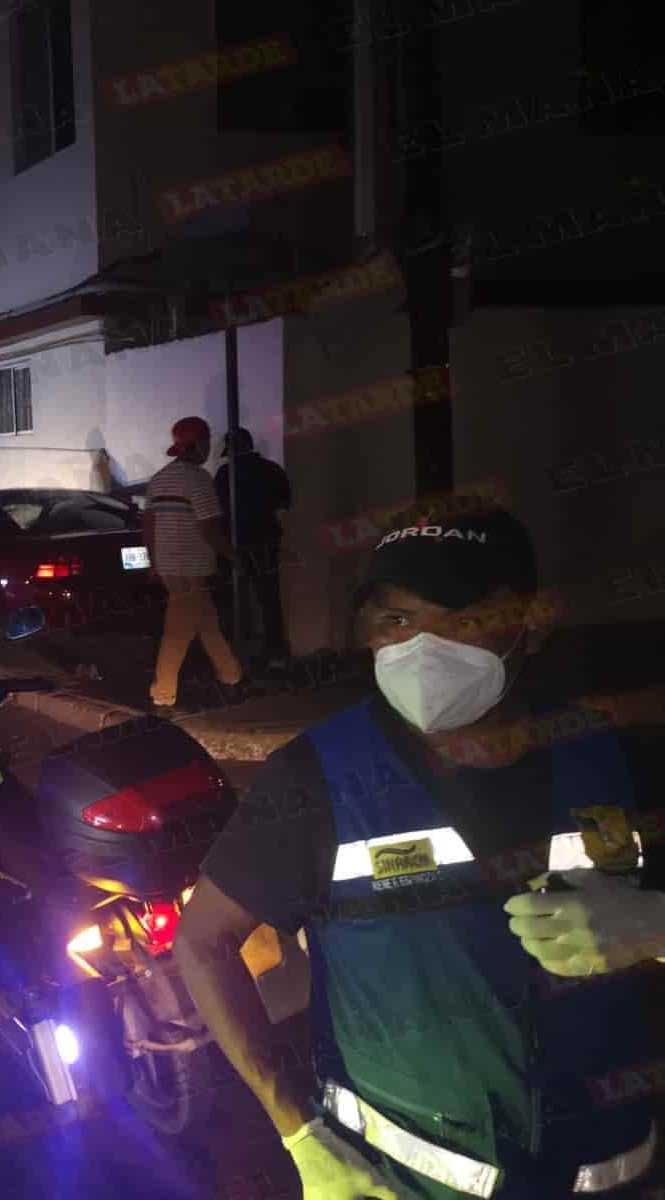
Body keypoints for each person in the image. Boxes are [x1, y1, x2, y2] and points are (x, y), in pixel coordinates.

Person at [174, 506, 665, 1200]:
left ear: (533, 621)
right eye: (397, 620)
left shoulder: (612, 753)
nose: (424, 648)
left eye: (464, 619)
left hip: (621, 1171)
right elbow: (202, 942)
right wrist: (302, 1138)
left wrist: (655, 926)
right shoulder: (316, 778)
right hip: (408, 1183)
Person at [143, 416, 244, 712]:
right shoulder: (199, 480)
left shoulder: (159, 479)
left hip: (168, 566)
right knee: (178, 632)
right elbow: (209, 527)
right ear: (198, 444)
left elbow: (148, 525)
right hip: (193, 567)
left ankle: (233, 678)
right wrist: (232, 555)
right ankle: (162, 695)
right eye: (208, 441)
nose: (209, 448)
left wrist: (153, 561)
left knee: (207, 624)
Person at [213, 427, 293, 668]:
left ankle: (236, 652)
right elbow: (285, 503)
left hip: (234, 542)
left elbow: (216, 509)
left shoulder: (225, 474)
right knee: (269, 597)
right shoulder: (271, 469)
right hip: (265, 540)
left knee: (232, 598)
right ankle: (275, 652)